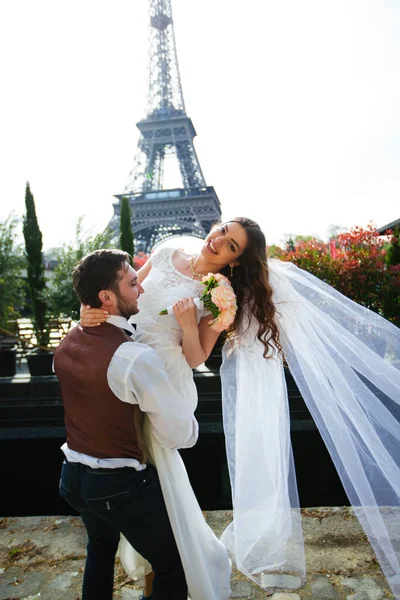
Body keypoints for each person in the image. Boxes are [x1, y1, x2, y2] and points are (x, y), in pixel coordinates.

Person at [81, 218, 400, 600]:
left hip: (165, 381)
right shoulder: (165, 253)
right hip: (127, 372)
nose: (218, 241)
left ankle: (167, 568)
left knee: (158, 479)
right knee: (133, 474)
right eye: (222, 231)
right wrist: (91, 316)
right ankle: (157, 565)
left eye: (231, 245)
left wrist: (186, 323)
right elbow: (125, 297)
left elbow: (196, 356)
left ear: (235, 260)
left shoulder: (220, 295)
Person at [54, 249, 206, 600]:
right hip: (116, 485)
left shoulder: (66, 344)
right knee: (174, 564)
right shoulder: (133, 358)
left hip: (72, 477)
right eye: (133, 283)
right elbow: (176, 433)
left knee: (100, 549)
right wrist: (191, 421)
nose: (142, 289)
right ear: (106, 297)